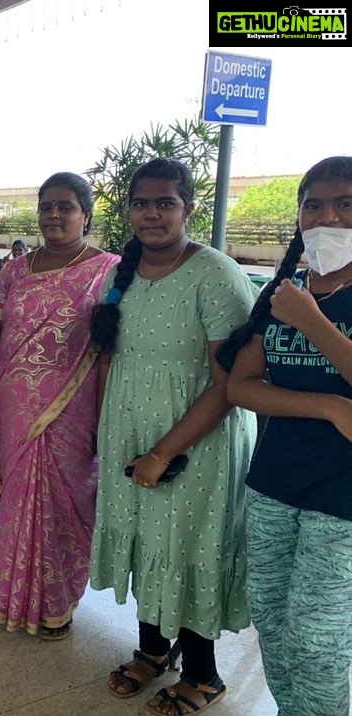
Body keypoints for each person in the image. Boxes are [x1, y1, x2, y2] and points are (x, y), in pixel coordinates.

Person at [88, 158, 256, 714]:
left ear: (189, 208)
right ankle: (154, 652)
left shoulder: (215, 274)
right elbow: (115, 359)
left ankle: (205, 675)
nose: (152, 214)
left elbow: (231, 380)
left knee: (185, 546)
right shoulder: (125, 273)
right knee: (145, 538)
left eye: (166, 203)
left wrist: (164, 451)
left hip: (195, 441)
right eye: (142, 203)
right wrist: (106, 431)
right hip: (130, 429)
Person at [222, 156, 352, 716]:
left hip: (342, 495)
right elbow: (242, 387)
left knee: (317, 638)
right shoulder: (280, 293)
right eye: (314, 205)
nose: (327, 217)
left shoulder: (296, 307)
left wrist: (313, 323)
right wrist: (326, 405)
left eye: (346, 205)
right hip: (275, 481)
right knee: (272, 621)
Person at [0, 173, 119, 639]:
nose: (54, 215)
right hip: (14, 404)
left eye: (66, 206)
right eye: (46, 206)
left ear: (86, 214)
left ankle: (56, 603)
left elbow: (115, 345)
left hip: (76, 407)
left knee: (69, 502)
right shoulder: (15, 269)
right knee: (20, 501)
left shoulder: (110, 270)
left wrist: (107, 413)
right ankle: (10, 597)